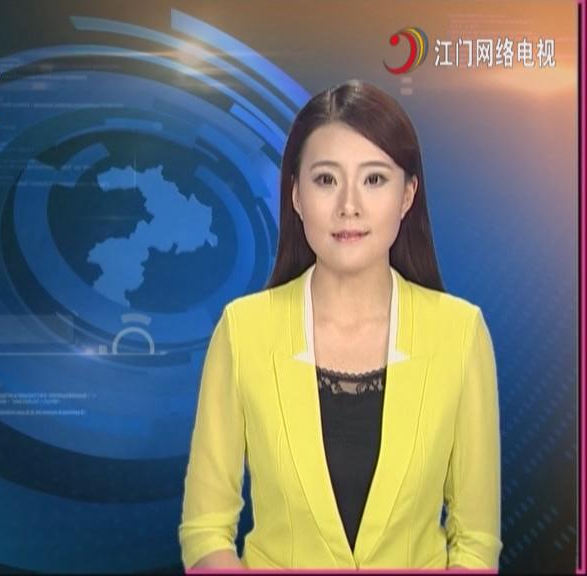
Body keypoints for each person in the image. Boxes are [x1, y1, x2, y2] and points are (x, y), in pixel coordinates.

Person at [178, 80, 502, 570]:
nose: (349, 205)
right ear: (296, 195)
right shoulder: (243, 331)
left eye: (374, 179)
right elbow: (206, 531)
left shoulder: (460, 333)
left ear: (407, 195)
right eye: (327, 179)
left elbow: (475, 543)